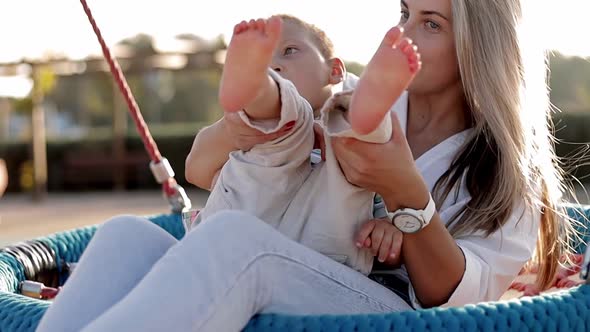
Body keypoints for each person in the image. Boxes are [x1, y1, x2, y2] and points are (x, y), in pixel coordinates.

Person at [37, 1, 577, 331]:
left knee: (235, 245)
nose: (405, 33)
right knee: (128, 236)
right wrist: (244, 117)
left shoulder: (507, 175)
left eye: (431, 23)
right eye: (404, 13)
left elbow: (454, 297)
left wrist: (404, 190)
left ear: (478, 47)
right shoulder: (359, 102)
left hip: (393, 311)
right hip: (301, 256)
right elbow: (214, 163)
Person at [194, 15, 419, 275]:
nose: (274, 65)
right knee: (281, 127)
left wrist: (386, 230)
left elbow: (383, 200)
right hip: (247, 222)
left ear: (334, 71)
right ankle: (259, 90)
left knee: (358, 143)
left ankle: (366, 109)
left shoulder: (343, 142)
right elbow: (205, 174)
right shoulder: (246, 131)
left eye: (289, 51)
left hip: (323, 252)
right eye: (264, 63)